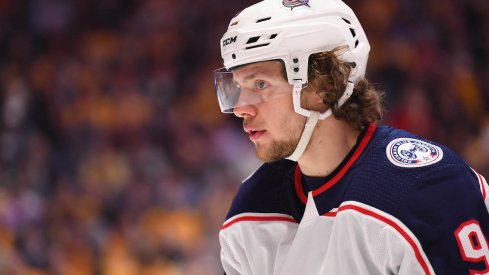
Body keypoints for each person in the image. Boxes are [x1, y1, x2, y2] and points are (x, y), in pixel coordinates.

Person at [213, 0, 489, 274]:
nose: (240, 109)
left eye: (261, 84)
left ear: (325, 85)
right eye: (238, 87)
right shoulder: (251, 208)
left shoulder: (428, 188)